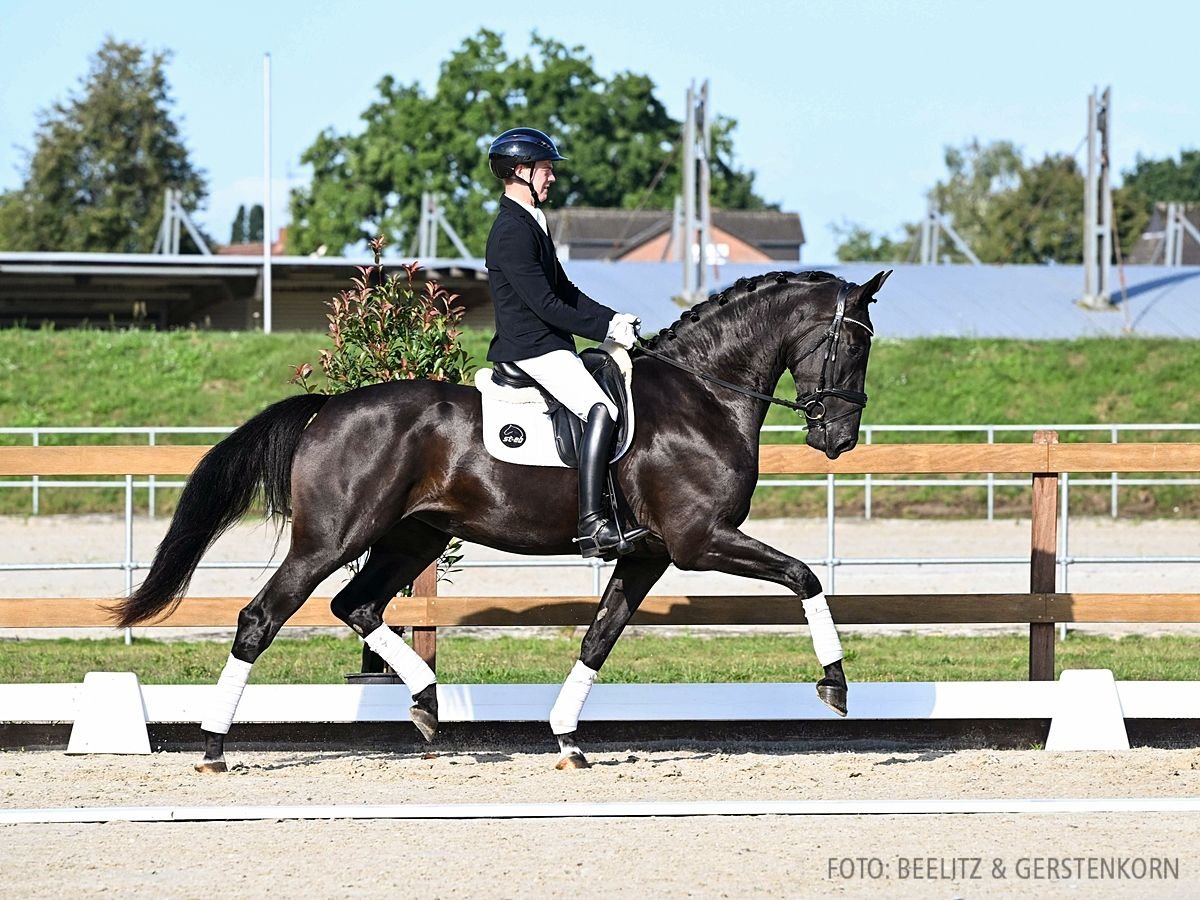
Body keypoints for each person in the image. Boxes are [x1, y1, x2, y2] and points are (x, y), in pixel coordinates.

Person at [484, 126, 648, 559]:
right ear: (519, 171)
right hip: (532, 347)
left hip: (546, 342)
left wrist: (612, 318)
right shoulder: (511, 231)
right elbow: (544, 304)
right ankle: (593, 524)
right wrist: (604, 331)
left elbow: (566, 291)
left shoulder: (530, 222)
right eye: (544, 169)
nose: (551, 177)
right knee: (602, 408)